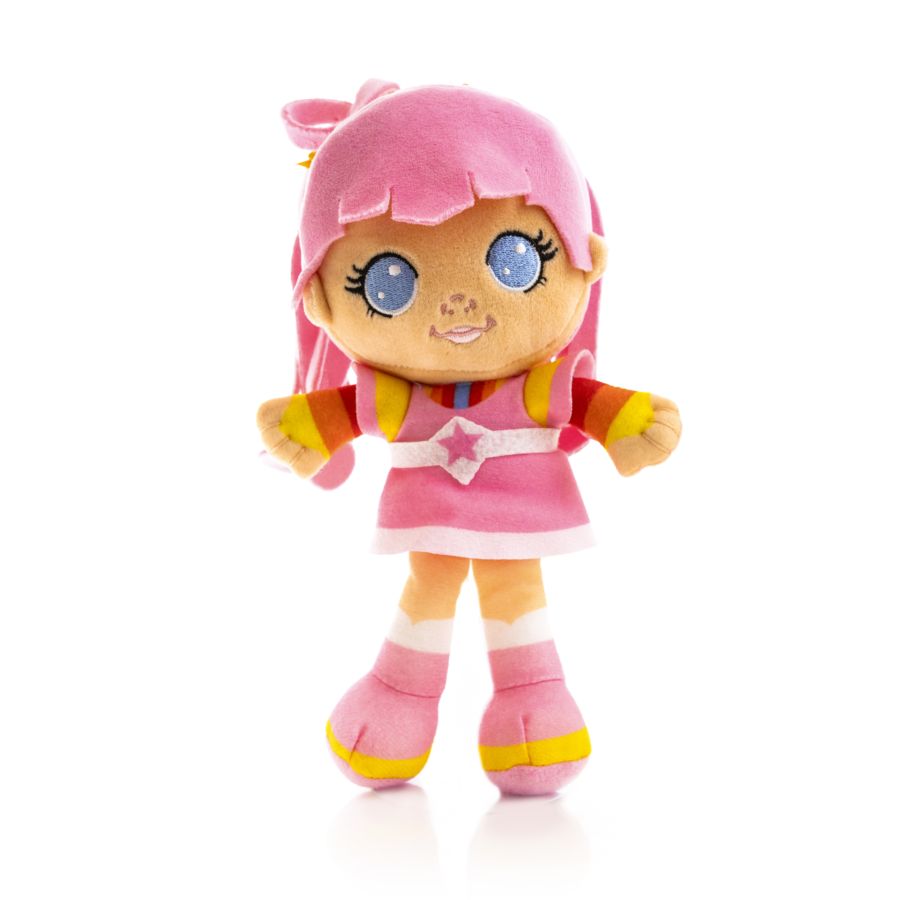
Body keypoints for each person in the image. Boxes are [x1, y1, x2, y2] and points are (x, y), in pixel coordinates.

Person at [257, 79, 681, 795]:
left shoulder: (532, 389)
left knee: (513, 593)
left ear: (587, 257)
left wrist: (626, 420)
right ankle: (401, 694)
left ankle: (528, 700)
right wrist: (308, 425)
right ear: (321, 298)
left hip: (519, 514)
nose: (456, 306)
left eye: (516, 261)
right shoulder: (402, 396)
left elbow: (581, 401)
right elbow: (353, 411)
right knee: (429, 590)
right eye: (386, 282)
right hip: (432, 519)